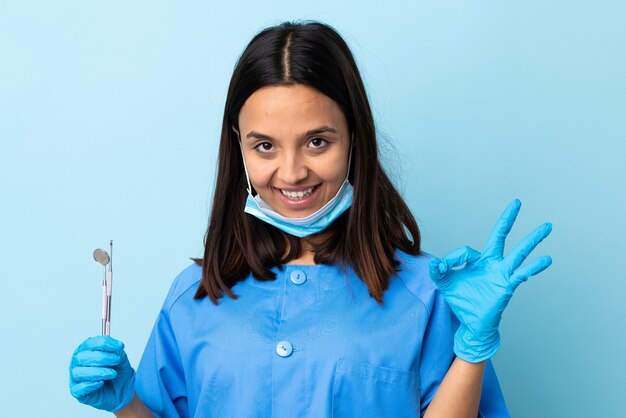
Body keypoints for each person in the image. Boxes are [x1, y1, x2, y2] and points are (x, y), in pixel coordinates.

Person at [69, 21, 552, 418]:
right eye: (265, 146)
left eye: (318, 141)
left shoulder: (427, 294)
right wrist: (126, 403)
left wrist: (471, 349)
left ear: (354, 137)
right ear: (237, 145)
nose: (292, 172)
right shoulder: (195, 294)